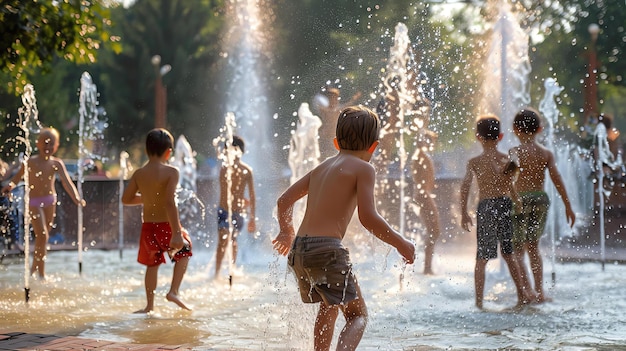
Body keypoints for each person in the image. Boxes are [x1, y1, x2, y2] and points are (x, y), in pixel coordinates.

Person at [272, 106, 415, 351]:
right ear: (374, 146)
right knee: (357, 315)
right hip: (327, 250)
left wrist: (287, 231)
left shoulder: (321, 167)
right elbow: (368, 217)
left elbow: (284, 200)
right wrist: (400, 242)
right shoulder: (364, 169)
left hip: (299, 251)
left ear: (336, 142)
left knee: (329, 305)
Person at [459, 115, 531, 310]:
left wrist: (463, 212)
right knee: (508, 254)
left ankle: (479, 303)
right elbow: (509, 185)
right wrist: (517, 202)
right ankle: (522, 296)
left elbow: (465, 187)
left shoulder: (474, 162)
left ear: (478, 137)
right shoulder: (505, 159)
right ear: (500, 136)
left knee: (481, 258)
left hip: (486, 208)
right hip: (504, 205)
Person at [122, 128, 192, 313]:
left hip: (148, 228)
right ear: (169, 152)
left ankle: (149, 306)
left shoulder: (139, 174)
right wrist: (177, 232)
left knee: (152, 264)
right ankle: (173, 291)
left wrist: (147, 197)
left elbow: (126, 199)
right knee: (185, 250)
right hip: (166, 226)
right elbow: (169, 202)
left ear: (146, 150)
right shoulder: (171, 172)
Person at [510, 108, 576, 303]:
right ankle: (540, 292)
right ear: (540, 129)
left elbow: (508, 177)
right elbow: (557, 180)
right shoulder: (545, 153)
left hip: (519, 201)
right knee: (533, 248)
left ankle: (526, 291)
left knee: (517, 251)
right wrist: (568, 206)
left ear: (515, 129)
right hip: (540, 200)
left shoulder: (515, 152)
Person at [1, 127, 85, 279]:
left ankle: (37, 270)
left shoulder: (57, 163)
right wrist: (10, 186)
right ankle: (39, 272)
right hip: (33, 202)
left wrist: (77, 198)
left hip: (50, 201)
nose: (48, 147)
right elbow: (17, 177)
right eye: (45, 143)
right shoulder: (30, 162)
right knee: (43, 234)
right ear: (38, 144)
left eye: (51, 143)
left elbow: (67, 183)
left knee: (43, 238)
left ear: (57, 145)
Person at [215, 135, 256, 278]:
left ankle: (231, 270)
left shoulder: (247, 171)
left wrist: (252, 218)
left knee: (232, 240)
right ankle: (217, 272)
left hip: (238, 212)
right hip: (223, 210)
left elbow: (252, 197)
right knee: (223, 240)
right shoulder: (224, 168)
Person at [410, 130, 441, 275]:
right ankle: (427, 267)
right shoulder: (420, 156)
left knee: (433, 231)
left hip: (423, 195)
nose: (433, 144)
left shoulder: (421, 156)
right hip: (423, 196)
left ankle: (427, 266)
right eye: (430, 141)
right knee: (433, 231)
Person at [316, 87, 362, 159]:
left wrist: (355, 98)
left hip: (334, 140)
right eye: (331, 98)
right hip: (324, 140)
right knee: (323, 159)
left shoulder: (338, 110)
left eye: (335, 98)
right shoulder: (325, 110)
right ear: (328, 99)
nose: (334, 100)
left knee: (334, 159)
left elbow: (348, 105)